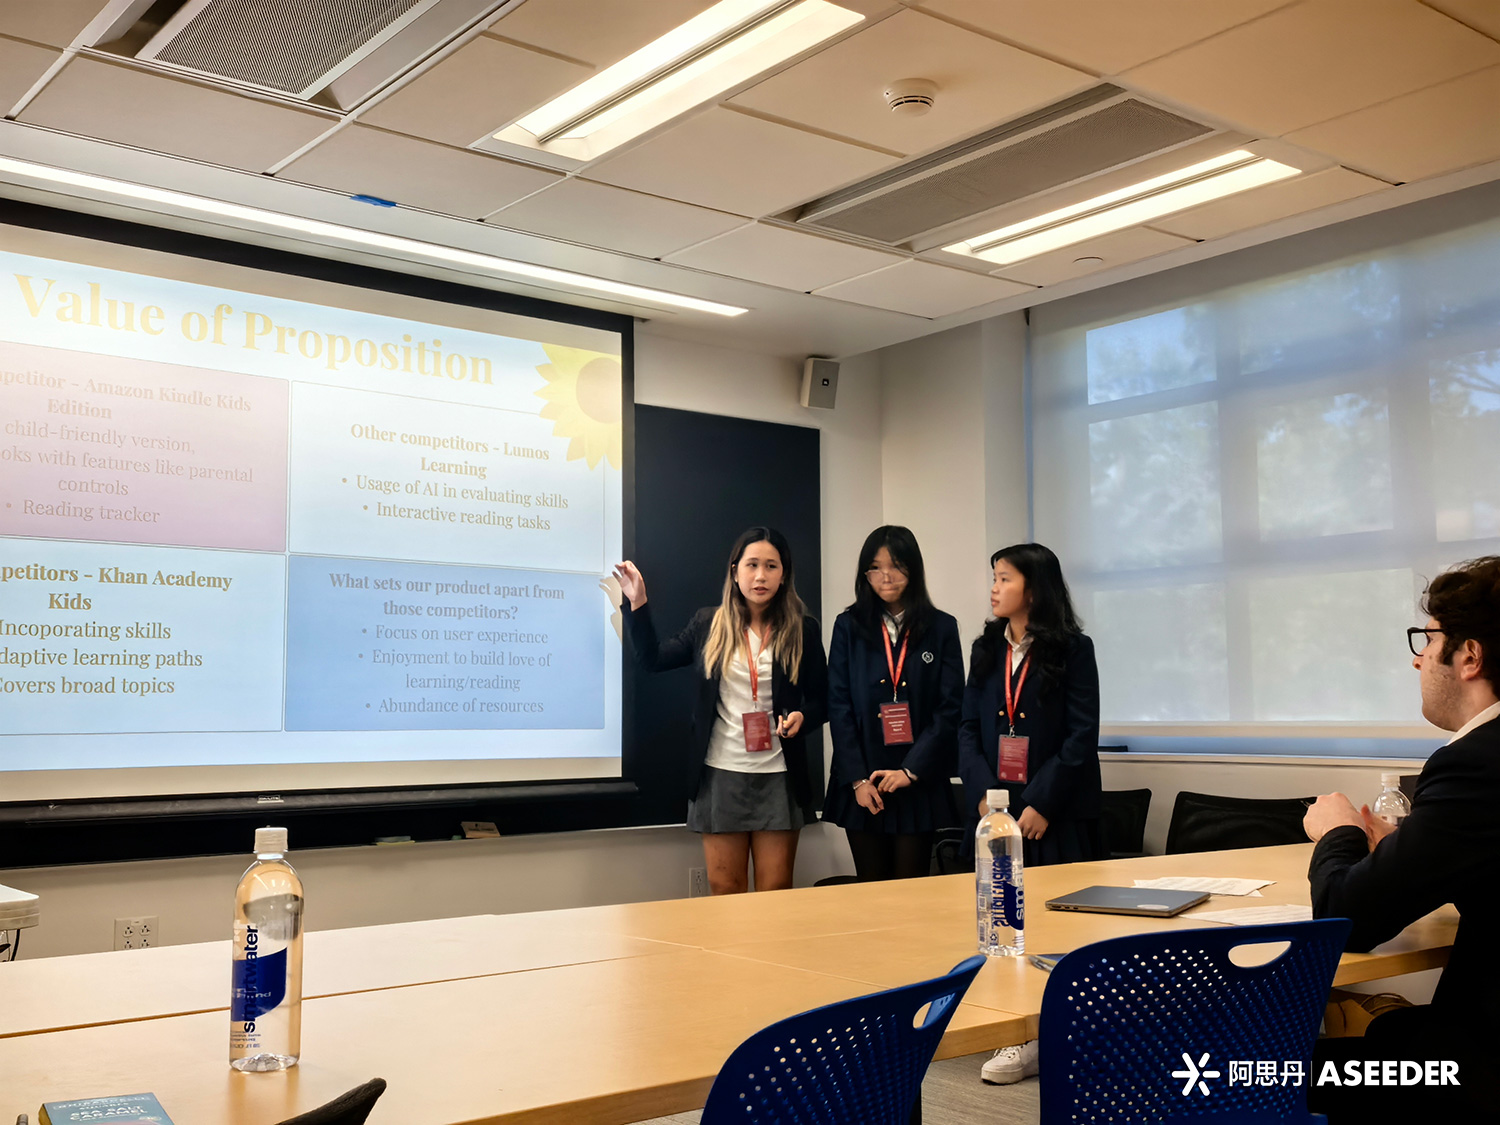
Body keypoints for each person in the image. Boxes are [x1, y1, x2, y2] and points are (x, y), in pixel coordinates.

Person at [1304, 556, 1500, 1120]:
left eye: (1428, 639)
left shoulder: (1475, 764)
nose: (1418, 658)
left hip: (1477, 1068)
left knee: (1242, 1070)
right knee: (1388, 1031)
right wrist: (1404, 848)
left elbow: (1346, 920)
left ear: (1469, 656)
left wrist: (1338, 831)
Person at [958, 541, 1105, 1086]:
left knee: (1055, 927)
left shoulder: (1073, 649)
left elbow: (1081, 734)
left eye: (1004, 578)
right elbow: (967, 729)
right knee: (1003, 925)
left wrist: (1042, 802)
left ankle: (1058, 1033)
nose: (994, 588)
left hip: (1055, 813)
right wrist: (984, 795)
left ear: (1034, 589)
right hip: (996, 815)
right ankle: (1013, 1030)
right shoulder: (985, 649)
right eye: (993, 577)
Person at [613, 527, 827, 896]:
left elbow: (824, 700)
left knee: (777, 890)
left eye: (771, 566)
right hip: (720, 774)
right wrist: (639, 603)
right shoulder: (708, 624)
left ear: (784, 574)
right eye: (752, 565)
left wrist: (803, 717)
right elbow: (653, 659)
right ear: (735, 571)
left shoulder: (802, 629)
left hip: (779, 775)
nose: (760, 576)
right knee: (726, 889)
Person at [821, 526, 963, 881]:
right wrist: (857, 780)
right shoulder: (848, 626)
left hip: (918, 777)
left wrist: (910, 770)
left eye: (896, 566)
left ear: (913, 569)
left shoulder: (941, 627)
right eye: (875, 567)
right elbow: (838, 704)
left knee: (911, 893)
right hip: (863, 780)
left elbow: (950, 706)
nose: (885, 576)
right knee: (871, 890)